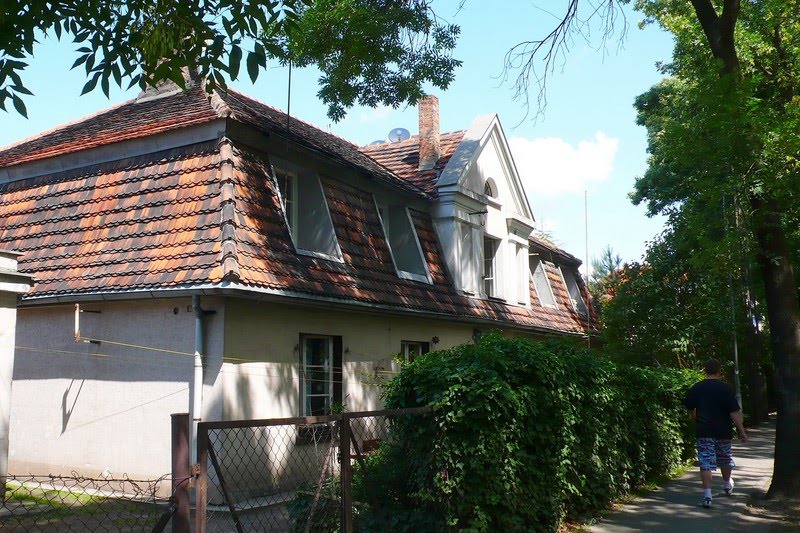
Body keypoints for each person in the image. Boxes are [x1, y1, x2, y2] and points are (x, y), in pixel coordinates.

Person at [683, 358, 747, 508]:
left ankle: (707, 495)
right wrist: (742, 431)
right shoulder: (726, 389)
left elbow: (689, 407)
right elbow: (734, 413)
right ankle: (726, 484)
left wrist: (695, 417)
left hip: (704, 430)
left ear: (705, 370)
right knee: (725, 458)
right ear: (719, 371)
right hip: (723, 430)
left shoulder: (697, 387)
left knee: (705, 461)